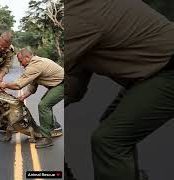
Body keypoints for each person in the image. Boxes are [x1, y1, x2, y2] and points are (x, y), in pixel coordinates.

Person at [65, 0, 174, 179]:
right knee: (112, 130)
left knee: (110, 140)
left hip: (167, 70)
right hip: (153, 71)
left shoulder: (78, 15)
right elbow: (73, 80)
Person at [0, 48, 64, 148]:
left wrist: (5, 85)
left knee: (44, 105)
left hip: (63, 84)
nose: (21, 64)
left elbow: (18, 85)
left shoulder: (35, 65)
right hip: (56, 84)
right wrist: (23, 96)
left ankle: (46, 138)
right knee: (46, 103)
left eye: (21, 61)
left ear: (28, 57)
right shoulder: (34, 63)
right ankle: (52, 125)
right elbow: (32, 86)